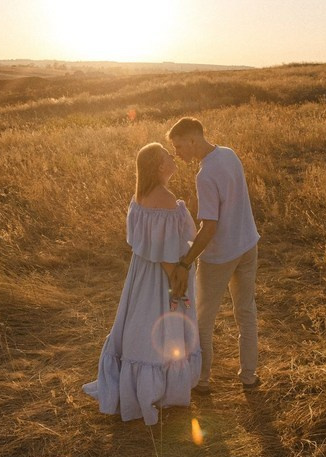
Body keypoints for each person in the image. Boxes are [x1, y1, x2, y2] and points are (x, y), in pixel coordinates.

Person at [82, 143, 202, 425]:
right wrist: (176, 278)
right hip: (161, 275)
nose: (173, 159)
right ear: (160, 166)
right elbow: (165, 250)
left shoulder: (140, 197)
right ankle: (158, 387)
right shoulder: (166, 199)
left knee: (140, 321)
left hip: (141, 273)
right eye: (167, 157)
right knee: (162, 323)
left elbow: (143, 243)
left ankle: (137, 381)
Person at [167, 117, 261, 391]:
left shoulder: (205, 174)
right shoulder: (228, 154)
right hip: (247, 245)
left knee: (202, 318)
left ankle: (202, 380)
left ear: (193, 140)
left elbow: (209, 228)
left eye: (179, 146)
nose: (177, 152)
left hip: (221, 255)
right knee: (245, 311)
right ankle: (249, 376)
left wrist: (186, 261)